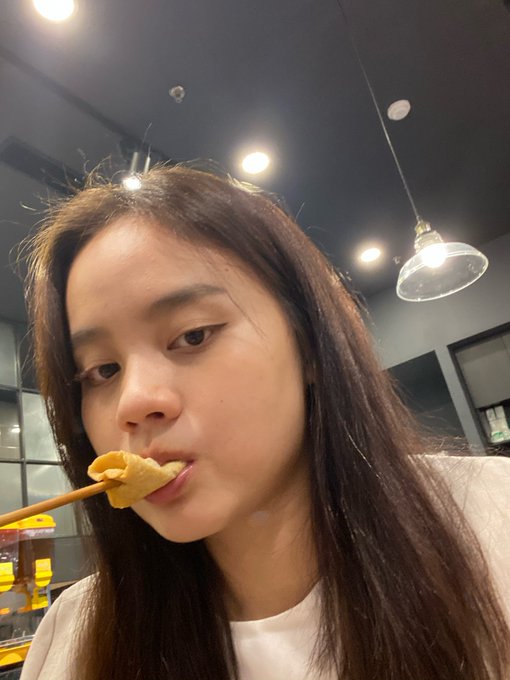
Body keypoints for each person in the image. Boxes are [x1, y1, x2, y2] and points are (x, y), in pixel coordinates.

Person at [19, 165, 510, 680]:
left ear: (308, 343)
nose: (134, 402)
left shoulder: (493, 521)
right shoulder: (72, 643)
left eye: (192, 335)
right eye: (102, 371)